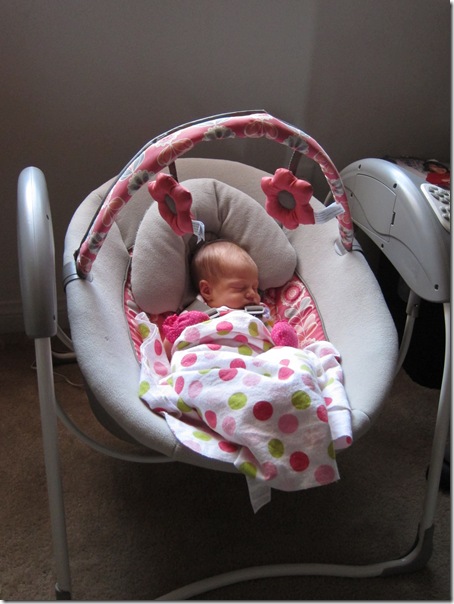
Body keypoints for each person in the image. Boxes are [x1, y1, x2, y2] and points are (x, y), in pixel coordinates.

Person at [162, 240, 298, 357]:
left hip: (255, 360)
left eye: (255, 288)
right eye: (240, 288)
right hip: (207, 359)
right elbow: (169, 347)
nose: (252, 294)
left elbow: (270, 332)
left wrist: (283, 338)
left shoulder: (259, 312)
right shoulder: (194, 314)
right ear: (207, 291)